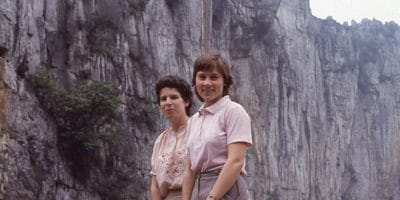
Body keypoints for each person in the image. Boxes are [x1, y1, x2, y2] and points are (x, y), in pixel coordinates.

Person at [182, 50, 253, 200]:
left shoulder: (233, 112)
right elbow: (189, 169)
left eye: (214, 77)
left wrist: (212, 198)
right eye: (202, 77)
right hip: (199, 189)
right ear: (195, 81)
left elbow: (236, 161)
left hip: (226, 189)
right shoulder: (193, 121)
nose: (207, 83)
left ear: (225, 81)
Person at [150, 75, 194, 200]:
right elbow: (155, 183)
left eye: (174, 97)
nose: (168, 103)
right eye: (163, 99)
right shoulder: (160, 140)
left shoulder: (198, 130)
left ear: (186, 101)